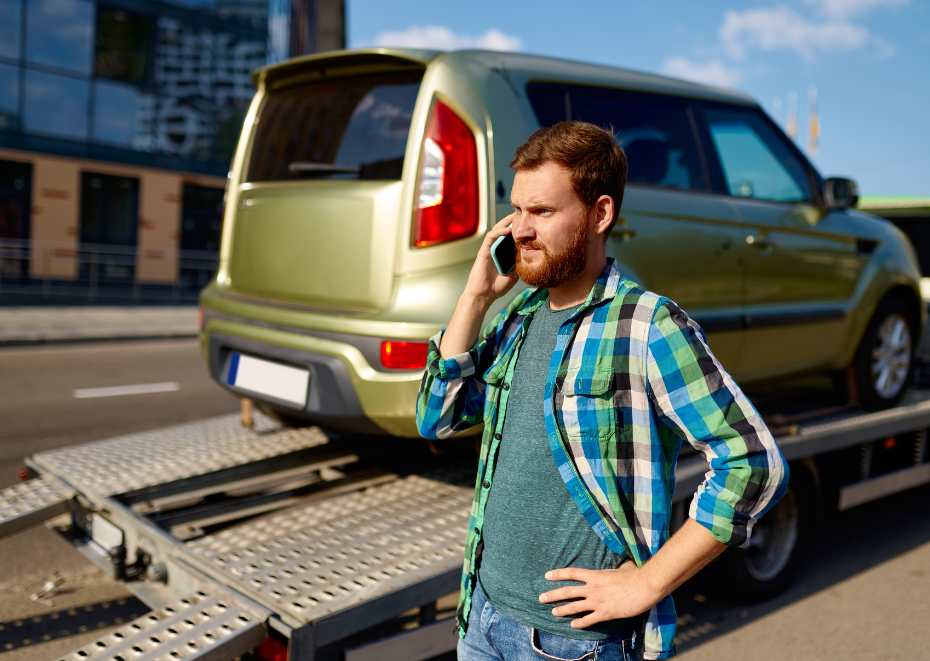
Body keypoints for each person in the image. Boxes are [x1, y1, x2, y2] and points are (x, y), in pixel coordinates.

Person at [415, 121, 789, 661]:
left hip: (573, 645)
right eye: (517, 209)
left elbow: (753, 462)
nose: (520, 228)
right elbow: (436, 417)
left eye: (541, 212)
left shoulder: (648, 326)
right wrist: (475, 298)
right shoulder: (519, 316)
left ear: (600, 214)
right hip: (482, 619)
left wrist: (649, 583)